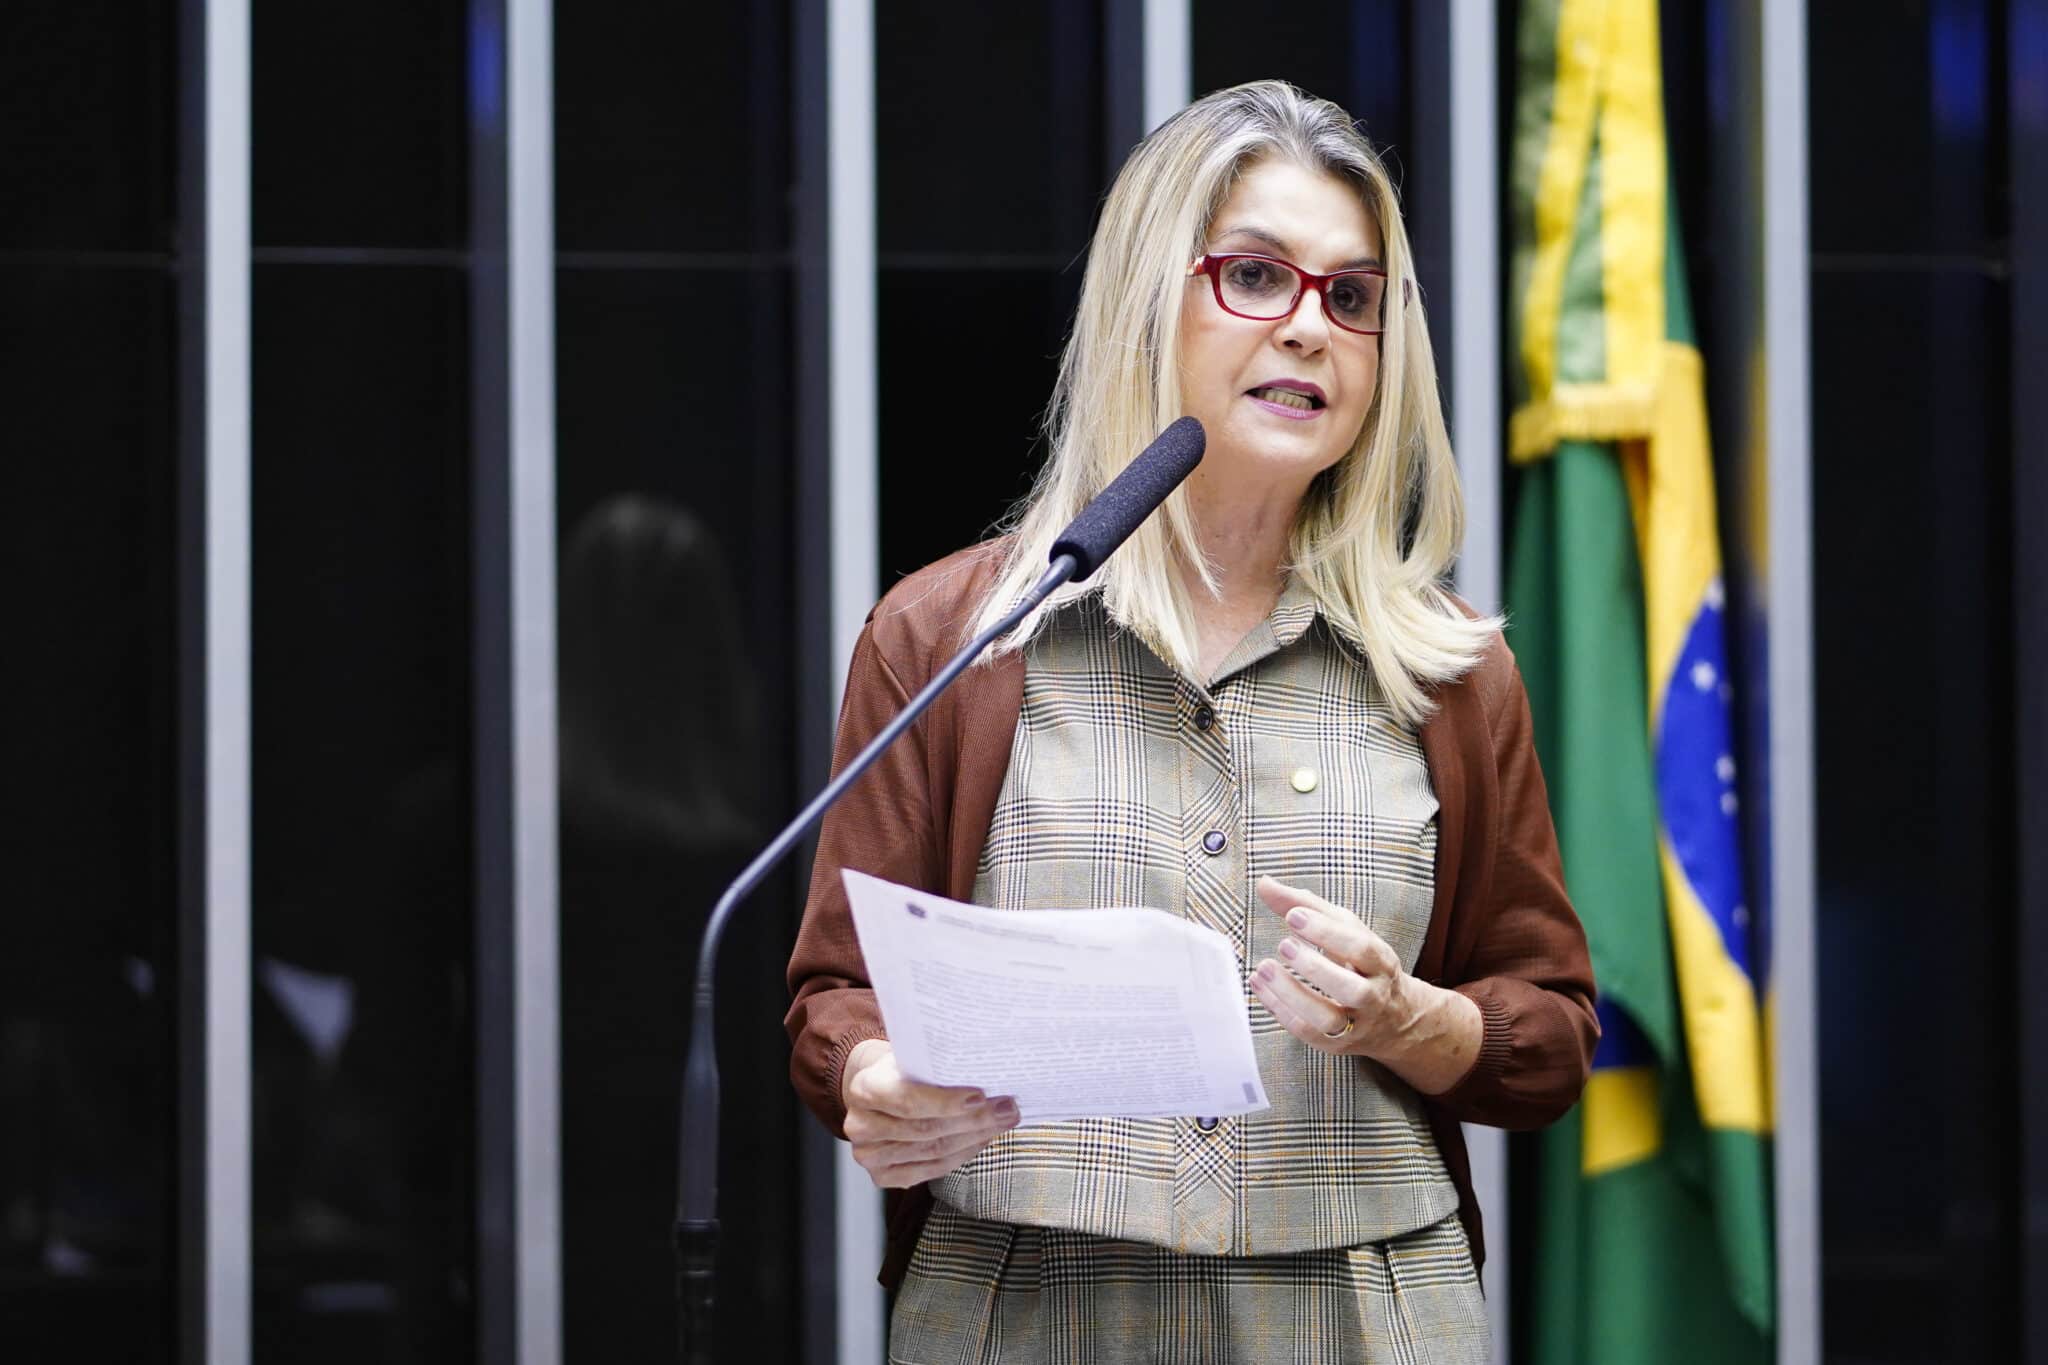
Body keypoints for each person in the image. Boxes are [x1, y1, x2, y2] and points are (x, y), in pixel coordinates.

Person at [786, 80, 1596, 1363]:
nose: (1309, 329)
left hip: (1362, 1315)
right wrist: (874, 1086)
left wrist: (1409, 1022)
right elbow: (835, 996)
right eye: (1255, 277)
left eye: (1349, 295)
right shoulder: (954, 636)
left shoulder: (1447, 670)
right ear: (1145, 301)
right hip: (1024, 1305)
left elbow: (1547, 1036)